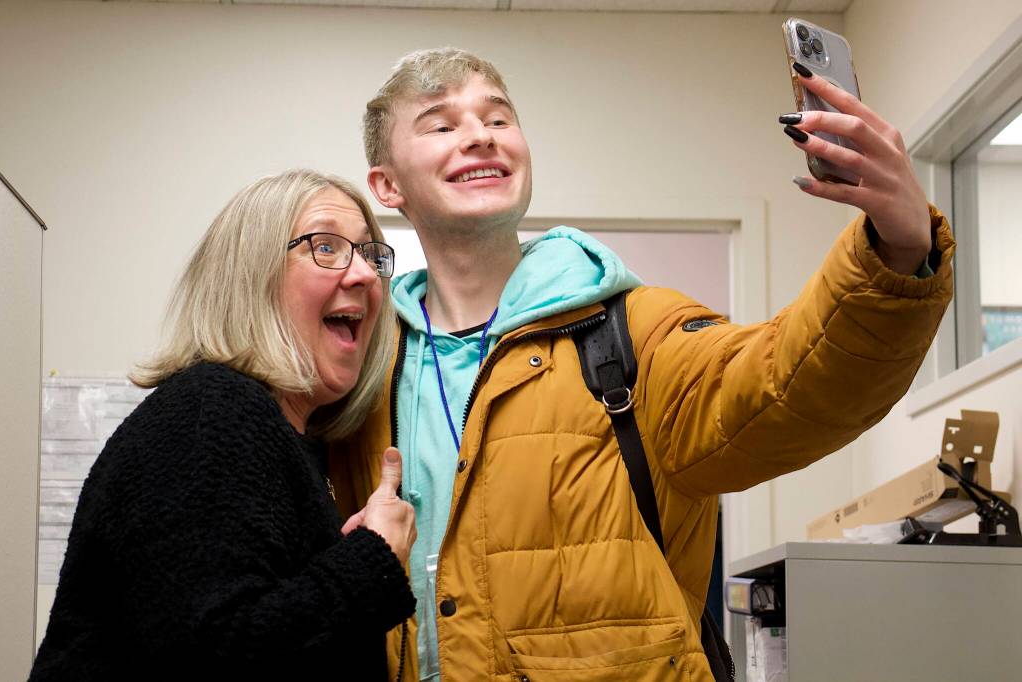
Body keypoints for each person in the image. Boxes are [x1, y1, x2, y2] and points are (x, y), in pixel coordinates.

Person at [329, 49, 954, 681]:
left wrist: (898, 247)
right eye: (441, 125)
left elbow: (788, 381)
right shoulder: (360, 370)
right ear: (387, 186)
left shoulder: (633, 334)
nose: (479, 137)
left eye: (498, 118)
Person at [30, 170, 417, 681]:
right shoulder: (209, 410)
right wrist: (375, 558)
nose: (365, 275)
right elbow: (214, 655)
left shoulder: (291, 438)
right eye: (325, 247)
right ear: (249, 277)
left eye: (371, 255)